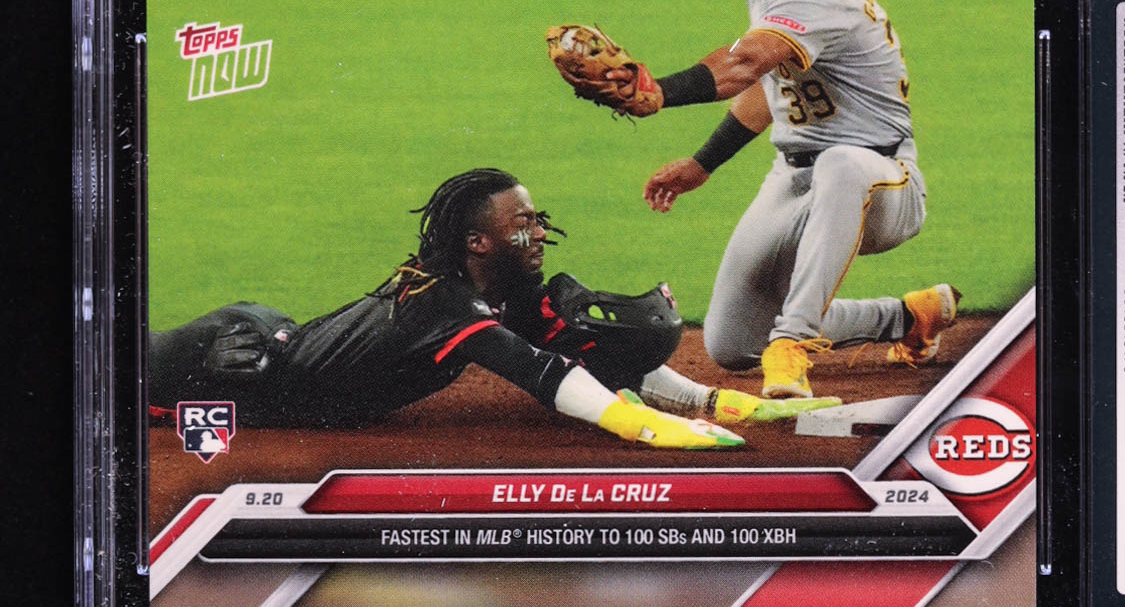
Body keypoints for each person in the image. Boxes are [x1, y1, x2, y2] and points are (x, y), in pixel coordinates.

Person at [148, 168, 837, 449]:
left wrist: (716, 403)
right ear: (477, 241)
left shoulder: (502, 295)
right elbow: (543, 375)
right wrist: (648, 428)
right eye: (522, 222)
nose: (538, 232)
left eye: (536, 219)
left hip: (282, 335)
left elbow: (574, 354)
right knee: (112, 379)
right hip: (237, 362)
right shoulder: (445, 303)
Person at [627, 0, 960, 399]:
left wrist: (659, 91)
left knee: (840, 162)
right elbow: (766, 87)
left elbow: (743, 63)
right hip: (794, 177)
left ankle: (793, 342)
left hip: (883, 183)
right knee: (732, 342)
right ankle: (908, 318)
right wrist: (703, 162)